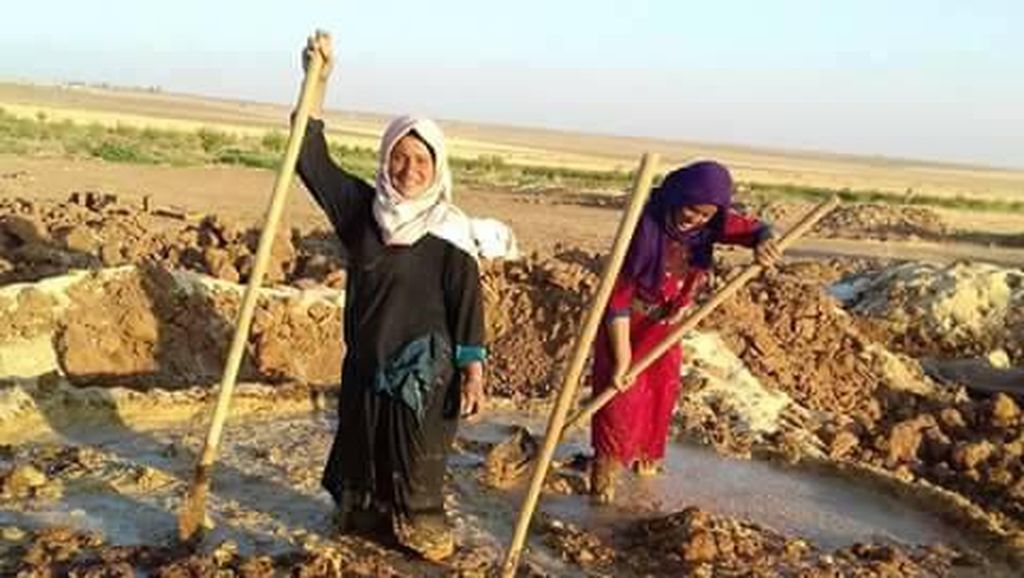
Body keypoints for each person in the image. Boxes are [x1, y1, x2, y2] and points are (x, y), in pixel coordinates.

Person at [293, 32, 486, 561]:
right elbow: (308, 158)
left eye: (421, 161)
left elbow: (468, 305)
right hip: (366, 362)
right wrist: (317, 81)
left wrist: (473, 370)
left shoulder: (449, 230)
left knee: (416, 474)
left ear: (437, 166)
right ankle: (364, 524)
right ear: (386, 158)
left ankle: (422, 531)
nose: (409, 171)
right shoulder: (363, 211)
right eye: (400, 158)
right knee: (361, 460)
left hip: (424, 371)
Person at [589, 160, 780, 504]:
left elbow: (758, 229)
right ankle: (602, 494)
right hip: (627, 328)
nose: (695, 220)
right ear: (678, 196)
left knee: (656, 408)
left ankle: (643, 494)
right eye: (691, 210)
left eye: (706, 215)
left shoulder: (711, 224)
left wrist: (765, 242)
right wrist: (622, 359)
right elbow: (616, 300)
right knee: (617, 409)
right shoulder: (643, 226)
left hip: (667, 332)